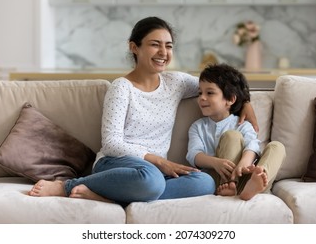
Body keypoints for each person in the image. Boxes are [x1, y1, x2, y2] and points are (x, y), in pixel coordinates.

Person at [28, 17, 259, 205]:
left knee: (205, 183)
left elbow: (220, 85)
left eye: (168, 46)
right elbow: (111, 143)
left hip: (156, 173)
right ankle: (66, 186)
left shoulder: (176, 82)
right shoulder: (122, 88)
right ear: (134, 47)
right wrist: (159, 162)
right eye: (155, 44)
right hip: (118, 164)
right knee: (151, 180)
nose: (163, 52)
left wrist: (244, 101)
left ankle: (106, 197)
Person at [186, 63, 286, 201]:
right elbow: (194, 154)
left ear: (230, 99)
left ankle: (257, 182)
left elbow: (253, 145)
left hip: (246, 178)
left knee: (277, 147)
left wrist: (244, 163)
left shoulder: (242, 124)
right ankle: (230, 185)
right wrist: (215, 162)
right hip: (218, 179)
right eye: (200, 93)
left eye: (209, 93)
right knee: (231, 136)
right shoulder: (197, 127)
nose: (202, 97)